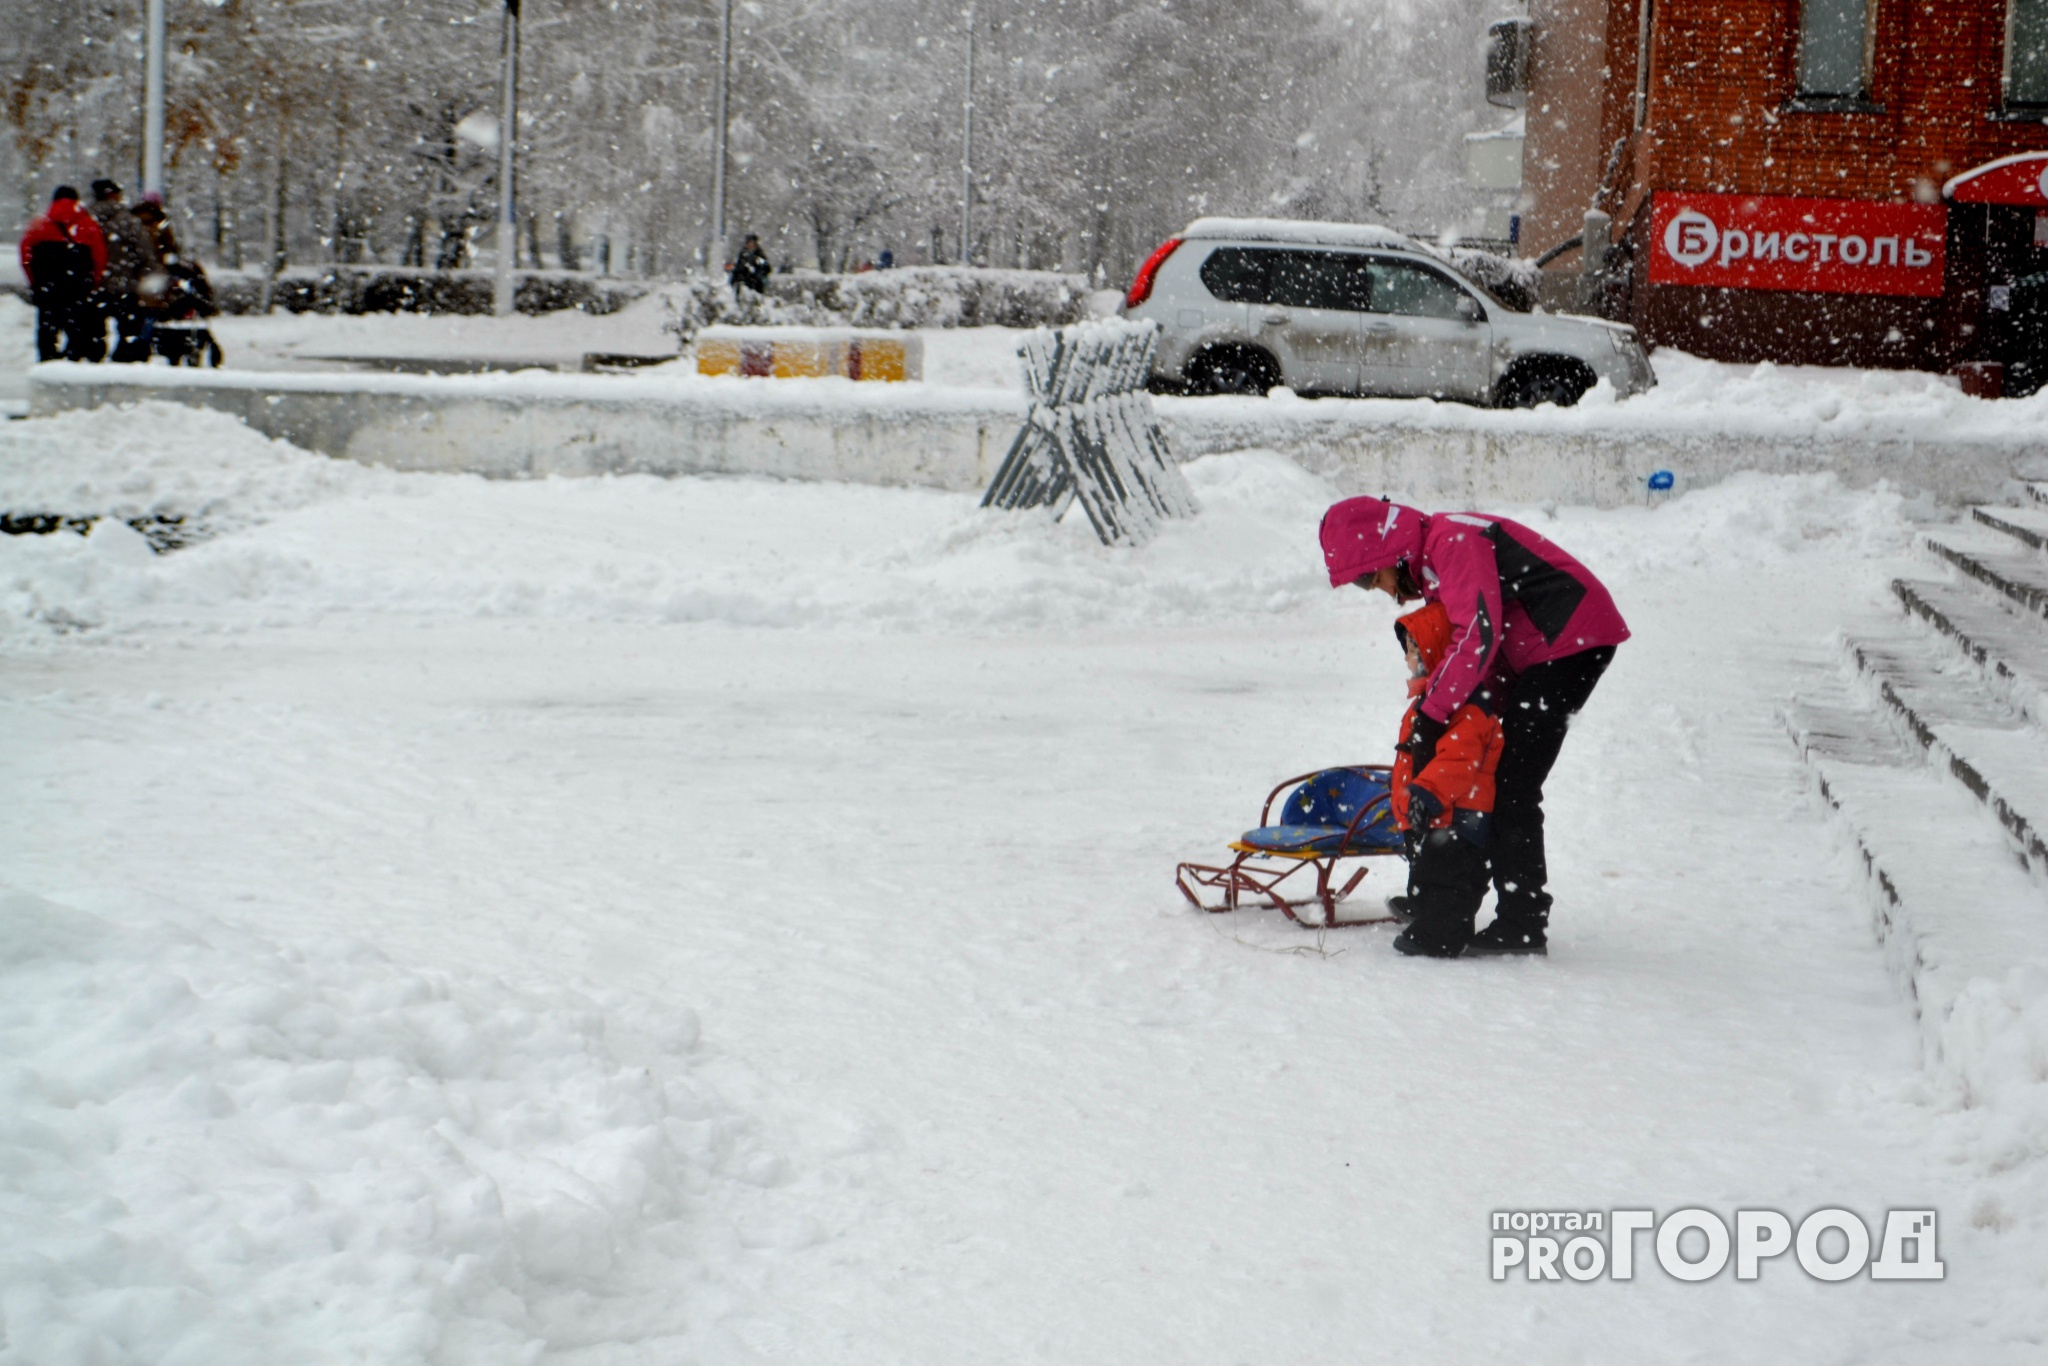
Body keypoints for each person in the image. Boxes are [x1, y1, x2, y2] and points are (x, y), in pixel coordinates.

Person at [1320, 496, 1629, 955]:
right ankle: (1442, 896)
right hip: (1540, 651)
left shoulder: (1453, 541)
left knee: (1514, 785)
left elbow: (1476, 633)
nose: (1380, 590)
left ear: (1386, 551)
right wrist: (1447, 714)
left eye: (1369, 577)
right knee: (1479, 775)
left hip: (1569, 643)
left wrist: (1431, 715)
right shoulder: (1434, 564)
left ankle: (1522, 923)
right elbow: (1471, 649)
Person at [1387, 602, 1506, 958]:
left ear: (1433, 652)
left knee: (1447, 875)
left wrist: (1426, 794)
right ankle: (1427, 911)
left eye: (1413, 648)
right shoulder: (1429, 701)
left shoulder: (1467, 705)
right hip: (1437, 811)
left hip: (1458, 814)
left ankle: (1441, 934)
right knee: (1427, 867)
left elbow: (1459, 758)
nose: (1407, 657)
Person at [18, 185, 107, 362]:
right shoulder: (87, 225)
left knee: (47, 326)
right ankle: (73, 361)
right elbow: (100, 257)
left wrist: (36, 280)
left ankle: (47, 360)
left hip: (48, 286)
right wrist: (93, 281)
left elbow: (25, 255)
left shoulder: (40, 225)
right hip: (77, 286)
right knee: (77, 326)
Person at [85, 179, 160, 362]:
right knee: (128, 333)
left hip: (93, 286)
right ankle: (123, 363)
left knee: (93, 333)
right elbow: (146, 254)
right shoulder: (128, 221)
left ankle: (93, 364)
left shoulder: (85, 220)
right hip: (125, 286)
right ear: (114, 195)